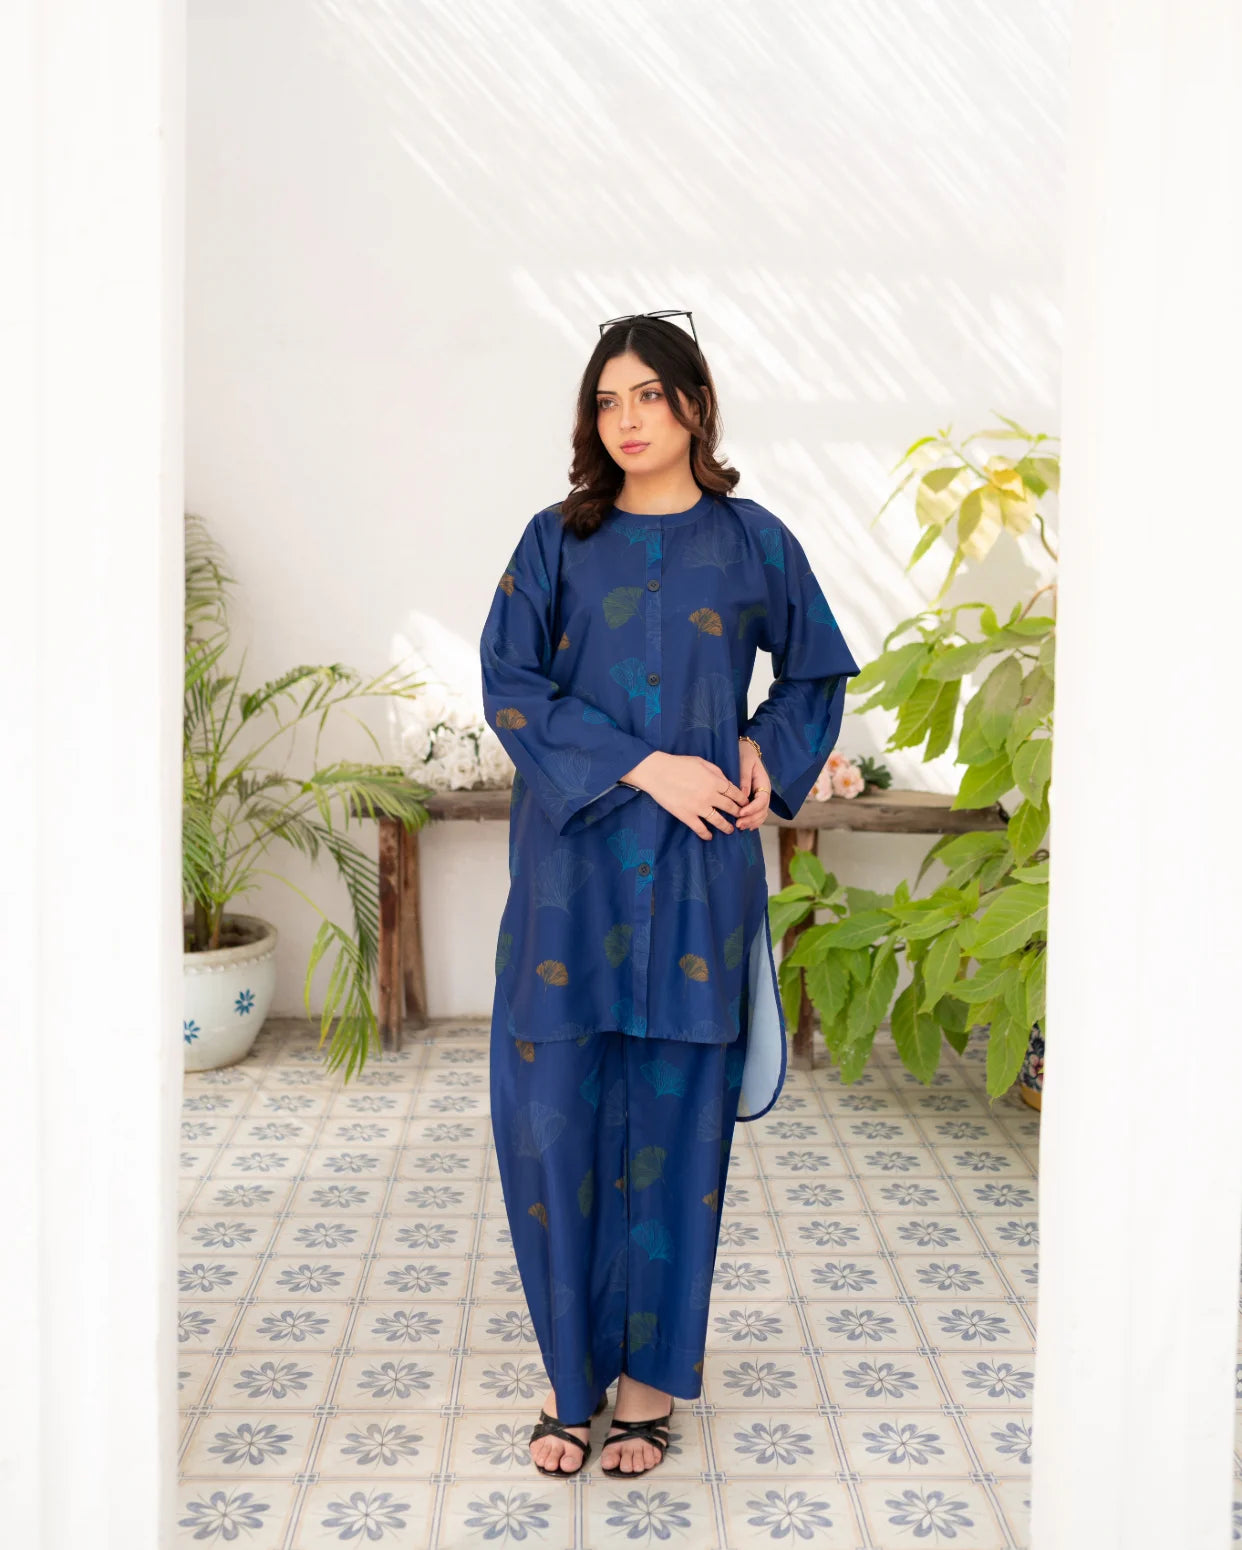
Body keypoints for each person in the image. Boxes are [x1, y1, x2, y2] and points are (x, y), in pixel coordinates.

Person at [478, 311, 861, 1478]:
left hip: (696, 882)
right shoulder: (555, 541)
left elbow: (815, 671)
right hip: (570, 883)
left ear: (695, 403)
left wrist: (760, 752)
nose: (628, 418)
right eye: (608, 400)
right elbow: (509, 683)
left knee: (678, 1127)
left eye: (649, 393)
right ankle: (571, 1381)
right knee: (551, 1125)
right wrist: (648, 763)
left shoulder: (754, 542)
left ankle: (647, 1386)